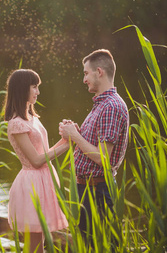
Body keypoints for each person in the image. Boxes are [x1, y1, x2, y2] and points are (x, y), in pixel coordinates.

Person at [58, 49, 129, 243]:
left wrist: (75, 136)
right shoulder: (101, 104)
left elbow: (103, 159)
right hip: (89, 190)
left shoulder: (110, 107)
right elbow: (94, 147)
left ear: (99, 72)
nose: (84, 79)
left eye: (86, 73)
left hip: (97, 191)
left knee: (100, 246)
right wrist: (75, 132)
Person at [4, 69, 69, 253]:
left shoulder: (32, 118)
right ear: (22, 89)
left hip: (42, 182)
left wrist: (66, 138)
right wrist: (69, 144)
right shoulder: (16, 123)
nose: (38, 92)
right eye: (34, 87)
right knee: (34, 246)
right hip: (31, 185)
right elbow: (36, 160)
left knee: (39, 243)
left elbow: (45, 152)